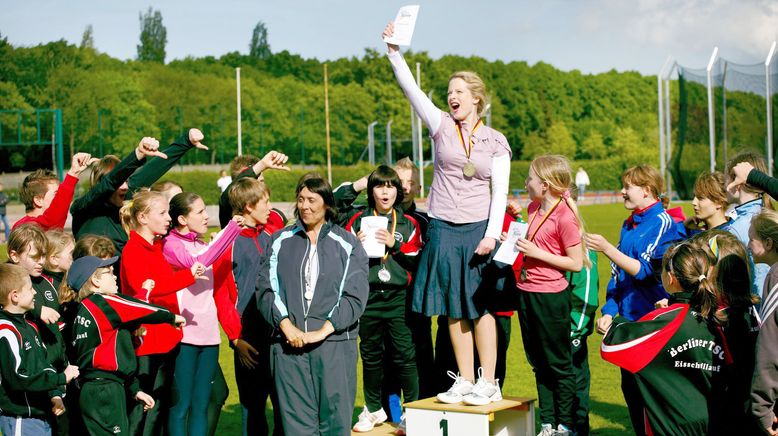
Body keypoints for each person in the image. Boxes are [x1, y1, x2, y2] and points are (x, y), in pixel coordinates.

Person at [384, 22, 511, 406]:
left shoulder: (495, 141)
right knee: (453, 309)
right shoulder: (440, 125)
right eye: (449, 92)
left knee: (481, 306)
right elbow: (412, 90)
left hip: (478, 231)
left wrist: (491, 234)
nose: (451, 97)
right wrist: (393, 51)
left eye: (459, 92)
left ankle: (489, 380)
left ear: (476, 99)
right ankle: (466, 379)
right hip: (442, 227)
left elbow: (500, 192)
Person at [602, 238, 756, 435]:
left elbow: (611, 347)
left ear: (671, 278)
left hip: (671, 426)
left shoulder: (666, 318)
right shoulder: (720, 316)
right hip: (718, 421)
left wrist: (618, 322)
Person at [258, 174, 369, 435]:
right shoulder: (279, 240)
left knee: (335, 424)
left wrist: (322, 331)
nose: (305, 206)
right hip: (288, 346)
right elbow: (266, 288)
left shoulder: (348, 243)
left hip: (335, 346)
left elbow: (354, 294)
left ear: (327, 204)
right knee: (296, 428)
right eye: (301, 200)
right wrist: (287, 326)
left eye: (312, 200)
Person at [585, 164, 673, 435]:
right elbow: (618, 276)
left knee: (655, 401)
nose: (622, 191)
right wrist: (610, 310)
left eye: (627, 187)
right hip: (628, 324)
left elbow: (646, 272)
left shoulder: (663, 223)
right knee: (632, 394)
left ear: (647, 190)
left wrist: (607, 248)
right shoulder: (629, 223)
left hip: (654, 327)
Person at [118, 189, 206, 436]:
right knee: (144, 409)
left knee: (158, 408)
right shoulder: (133, 251)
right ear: (144, 217)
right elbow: (149, 292)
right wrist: (189, 276)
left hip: (165, 338)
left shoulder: (156, 247)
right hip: (147, 342)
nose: (169, 217)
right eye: (163, 212)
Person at [66, 256, 185, 436]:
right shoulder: (103, 301)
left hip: (94, 388)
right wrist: (171, 317)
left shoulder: (84, 309)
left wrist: (134, 390)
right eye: (109, 272)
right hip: (106, 389)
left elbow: (111, 350)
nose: (115, 276)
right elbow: (137, 307)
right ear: (95, 280)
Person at [513, 155, 586, 436]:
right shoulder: (532, 207)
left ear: (544, 185)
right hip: (526, 293)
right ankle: (547, 422)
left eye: (529, 178)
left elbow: (576, 263)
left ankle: (565, 424)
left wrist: (537, 253)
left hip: (551, 297)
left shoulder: (565, 216)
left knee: (558, 363)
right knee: (538, 362)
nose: (525, 183)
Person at [346, 166, 423, 433]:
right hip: (367, 299)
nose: (386, 191)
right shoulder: (357, 221)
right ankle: (373, 408)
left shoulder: (407, 224)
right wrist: (353, 247)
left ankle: (412, 412)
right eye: (380, 186)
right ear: (372, 191)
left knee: (404, 356)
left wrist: (395, 244)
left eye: (391, 186)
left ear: (397, 192)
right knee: (370, 357)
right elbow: (342, 261)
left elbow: (416, 260)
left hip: (397, 298)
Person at [161, 192, 242, 436]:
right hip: (184, 336)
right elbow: (199, 262)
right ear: (183, 219)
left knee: (201, 404)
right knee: (180, 406)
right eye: (200, 212)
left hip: (209, 336)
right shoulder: (172, 245)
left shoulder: (202, 243)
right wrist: (230, 231)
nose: (206, 216)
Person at [212, 177, 283, 435]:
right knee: (254, 411)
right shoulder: (226, 244)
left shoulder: (271, 237)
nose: (270, 207)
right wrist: (235, 338)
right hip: (248, 339)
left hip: (278, 333)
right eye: (265, 202)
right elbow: (220, 295)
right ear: (249, 206)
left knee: (283, 407)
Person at [70, 131, 205, 254]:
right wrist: (138, 154)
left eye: (127, 181)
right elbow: (110, 183)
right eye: (120, 182)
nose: (124, 187)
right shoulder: (84, 207)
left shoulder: (125, 195)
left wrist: (186, 141)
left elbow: (153, 169)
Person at [0, 263, 80, 436]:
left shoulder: (30, 326)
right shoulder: (6, 332)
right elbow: (19, 378)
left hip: (41, 415)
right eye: (30, 289)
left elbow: (44, 365)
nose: (35, 292)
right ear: (14, 296)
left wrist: (55, 395)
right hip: (20, 417)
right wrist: (61, 378)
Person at [724, 152, 771, 301]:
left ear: (737, 182)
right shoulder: (762, 213)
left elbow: (759, 278)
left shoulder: (742, 226)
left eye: (725, 179)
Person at [749, 209, 778, 434]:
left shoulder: (775, 278)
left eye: (751, 239)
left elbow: (770, 345)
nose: (748, 245)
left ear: (768, 243)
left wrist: (762, 408)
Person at [14, 152, 97, 231]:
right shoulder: (31, 229)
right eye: (56, 194)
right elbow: (53, 217)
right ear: (38, 200)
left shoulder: (18, 226)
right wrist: (73, 173)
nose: (59, 197)